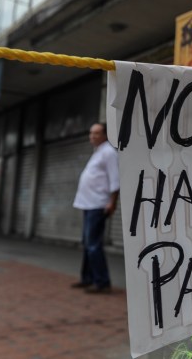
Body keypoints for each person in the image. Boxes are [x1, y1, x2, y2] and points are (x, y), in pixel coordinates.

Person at [71, 123, 120, 294]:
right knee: (87, 244)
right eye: (91, 133)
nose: (92, 136)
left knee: (93, 245)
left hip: (98, 205)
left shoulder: (109, 152)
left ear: (106, 135)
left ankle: (102, 281)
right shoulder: (98, 152)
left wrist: (112, 202)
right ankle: (87, 278)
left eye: (97, 133)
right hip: (88, 203)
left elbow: (115, 179)